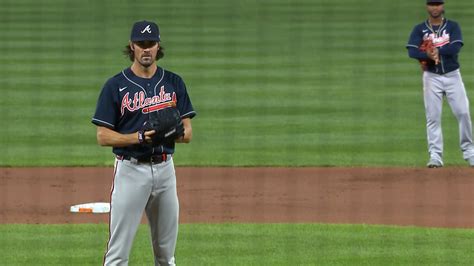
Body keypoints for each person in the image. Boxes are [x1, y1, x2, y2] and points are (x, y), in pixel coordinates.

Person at [92, 20, 196, 265]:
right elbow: (103, 136)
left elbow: (188, 132)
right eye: (141, 44)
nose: (146, 49)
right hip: (130, 171)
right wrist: (138, 137)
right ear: (132, 46)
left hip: (165, 170)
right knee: (117, 255)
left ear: (158, 46)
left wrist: (167, 134)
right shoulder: (115, 86)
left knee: (166, 256)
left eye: (151, 44)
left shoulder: (174, 82)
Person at [406, 0, 474, 168]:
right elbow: (411, 51)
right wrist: (426, 55)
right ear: (427, 7)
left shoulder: (452, 26)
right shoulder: (419, 29)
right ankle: (435, 156)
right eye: (431, 4)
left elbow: (455, 47)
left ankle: (470, 153)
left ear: (442, 6)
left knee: (463, 113)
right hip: (431, 77)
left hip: (453, 76)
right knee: (433, 117)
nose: (435, 7)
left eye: (438, 4)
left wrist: (437, 51)